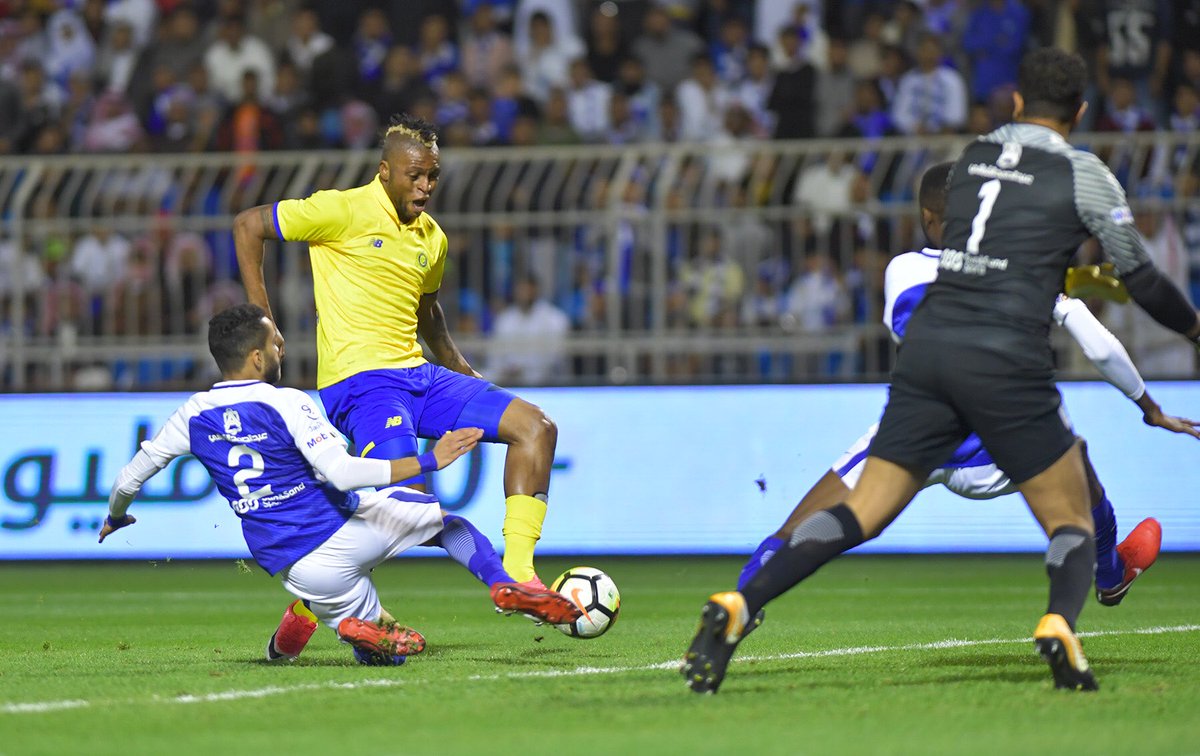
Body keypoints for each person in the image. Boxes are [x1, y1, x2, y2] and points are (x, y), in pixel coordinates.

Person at [683, 49, 1200, 694]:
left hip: (928, 375)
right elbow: (1121, 300)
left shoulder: (976, 166)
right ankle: (1068, 613)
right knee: (1072, 500)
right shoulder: (1077, 177)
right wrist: (1156, 388)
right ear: (1082, 112)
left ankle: (743, 600)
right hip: (999, 392)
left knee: (855, 511)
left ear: (1014, 104)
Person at [734, 162, 1198, 613]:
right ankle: (1107, 573)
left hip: (915, 435)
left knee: (804, 525)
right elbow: (1096, 345)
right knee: (1076, 462)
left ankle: (743, 601)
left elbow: (908, 328)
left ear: (927, 219)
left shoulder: (904, 268)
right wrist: (1148, 405)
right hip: (998, 444)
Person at [234, 113, 565, 654]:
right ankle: (310, 608)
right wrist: (264, 321)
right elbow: (248, 225)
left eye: (433, 176)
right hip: (363, 386)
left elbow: (428, 313)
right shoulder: (340, 209)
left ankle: (522, 575)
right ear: (384, 171)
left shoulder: (432, 238)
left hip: (423, 377)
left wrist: (462, 369)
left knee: (536, 427)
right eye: (415, 175)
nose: (426, 187)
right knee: (408, 509)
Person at [98, 305, 580, 666]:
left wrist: (117, 515)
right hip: (343, 527)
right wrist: (431, 458)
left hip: (297, 568)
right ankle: (501, 583)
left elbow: (129, 477)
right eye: (277, 345)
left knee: (388, 655)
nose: (282, 351)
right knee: (447, 525)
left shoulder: (191, 414)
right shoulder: (287, 403)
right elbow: (343, 473)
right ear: (256, 356)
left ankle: (345, 632)